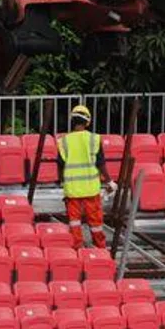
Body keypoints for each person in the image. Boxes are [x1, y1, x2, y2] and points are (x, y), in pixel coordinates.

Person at [58, 104, 112, 249]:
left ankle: (77, 250)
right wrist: (109, 181)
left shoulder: (63, 141)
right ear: (88, 122)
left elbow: (60, 165)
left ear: (72, 121)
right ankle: (100, 249)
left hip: (72, 190)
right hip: (91, 189)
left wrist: (62, 182)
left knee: (74, 222)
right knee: (96, 223)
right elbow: (100, 163)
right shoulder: (94, 139)